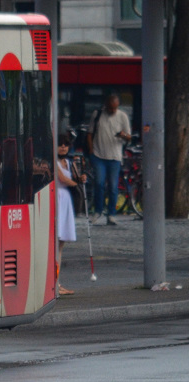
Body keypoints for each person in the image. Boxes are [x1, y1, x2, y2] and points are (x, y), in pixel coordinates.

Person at [86, 94, 131, 225]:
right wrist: (91, 151)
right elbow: (89, 133)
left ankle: (111, 214)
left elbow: (129, 137)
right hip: (98, 154)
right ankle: (98, 211)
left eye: (114, 108)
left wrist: (123, 135)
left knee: (113, 186)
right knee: (99, 184)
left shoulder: (123, 116)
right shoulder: (97, 114)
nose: (112, 111)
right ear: (106, 105)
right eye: (110, 108)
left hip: (115, 156)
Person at [56, 133, 85, 296]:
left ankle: (58, 282)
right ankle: (55, 283)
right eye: (60, 144)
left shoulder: (69, 162)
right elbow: (62, 179)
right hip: (58, 199)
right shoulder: (54, 162)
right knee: (56, 243)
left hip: (66, 200)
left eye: (66, 144)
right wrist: (76, 183)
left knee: (61, 245)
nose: (63, 147)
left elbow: (74, 177)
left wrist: (81, 178)